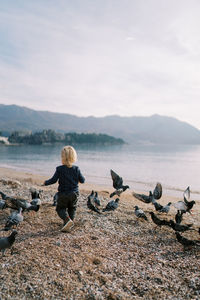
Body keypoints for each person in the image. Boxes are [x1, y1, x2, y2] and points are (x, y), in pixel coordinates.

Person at [43, 145, 85, 232]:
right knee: (72, 208)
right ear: (74, 157)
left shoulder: (59, 169)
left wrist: (45, 182)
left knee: (60, 209)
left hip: (63, 194)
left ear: (62, 157)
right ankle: (70, 224)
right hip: (74, 193)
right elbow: (83, 180)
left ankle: (66, 220)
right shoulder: (76, 169)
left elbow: (53, 180)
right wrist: (78, 179)